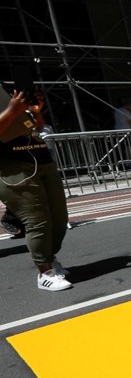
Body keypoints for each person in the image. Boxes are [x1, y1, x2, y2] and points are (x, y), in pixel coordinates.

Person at [0, 88, 72, 291]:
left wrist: (36, 112)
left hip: (42, 160)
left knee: (59, 217)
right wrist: (13, 110)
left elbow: (37, 128)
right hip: (13, 166)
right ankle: (45, 272)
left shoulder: (8, 96)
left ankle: (50, 258)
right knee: (37, 220)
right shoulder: (11, 105)